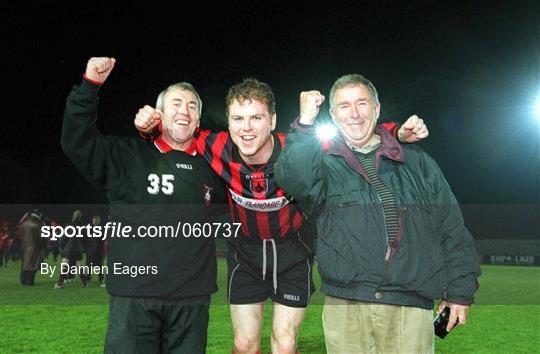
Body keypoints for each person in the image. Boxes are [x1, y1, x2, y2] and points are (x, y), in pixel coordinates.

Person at [135, 77, 428, 354]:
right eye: (238, 119)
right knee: (243, 342)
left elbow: (353, 133)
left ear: (272, 121)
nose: (246, 128)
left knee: (284, 344)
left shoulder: (297, 149)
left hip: (293, 252)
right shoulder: (215, 146)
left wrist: (397, 132)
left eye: (256, 118)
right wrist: (147, 128)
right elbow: (178, 133)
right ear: (228, 122)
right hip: (245, 253)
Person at [274, 74, 480, 353]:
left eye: (362, 103)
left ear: (377, 109)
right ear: (333, 116)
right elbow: (290, 178)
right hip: (346, 307)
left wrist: (459, 292)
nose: (355, 114)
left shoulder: (417, 162)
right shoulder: (322, 167)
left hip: (408, 307)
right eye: (344, 106)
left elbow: (452, 228)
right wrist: (305, 124)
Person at [61, 57, 226, 353]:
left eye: (192, 107)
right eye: (176, 103)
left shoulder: (214, 169)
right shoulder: (127, 156)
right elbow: (77, 141)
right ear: (159, 114)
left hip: (191, 303)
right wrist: (89, 87)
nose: (184, 111)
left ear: (199, 121)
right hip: (134, 299)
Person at [53, 210, 88, 288]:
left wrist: (62, 247)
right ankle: (84, 283)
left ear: (73, 216)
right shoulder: (83, 226)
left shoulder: (68, 225)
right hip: (78, 248)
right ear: (80, 217)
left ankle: (59, 283)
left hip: (68, 248)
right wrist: (83, 248)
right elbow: (85, 239)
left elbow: (63, 238)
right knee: (80, 266)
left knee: (64, 265)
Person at [19, 209, 47, 285]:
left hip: (25, 245)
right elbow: (42, 237)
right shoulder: (38, 223)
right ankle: (30, 281)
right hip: (35, 245)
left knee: (25, 264)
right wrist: (45, 245)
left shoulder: (25, 222)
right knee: (33, 264)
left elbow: (21, 235)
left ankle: (23, 280)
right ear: (40, 215)